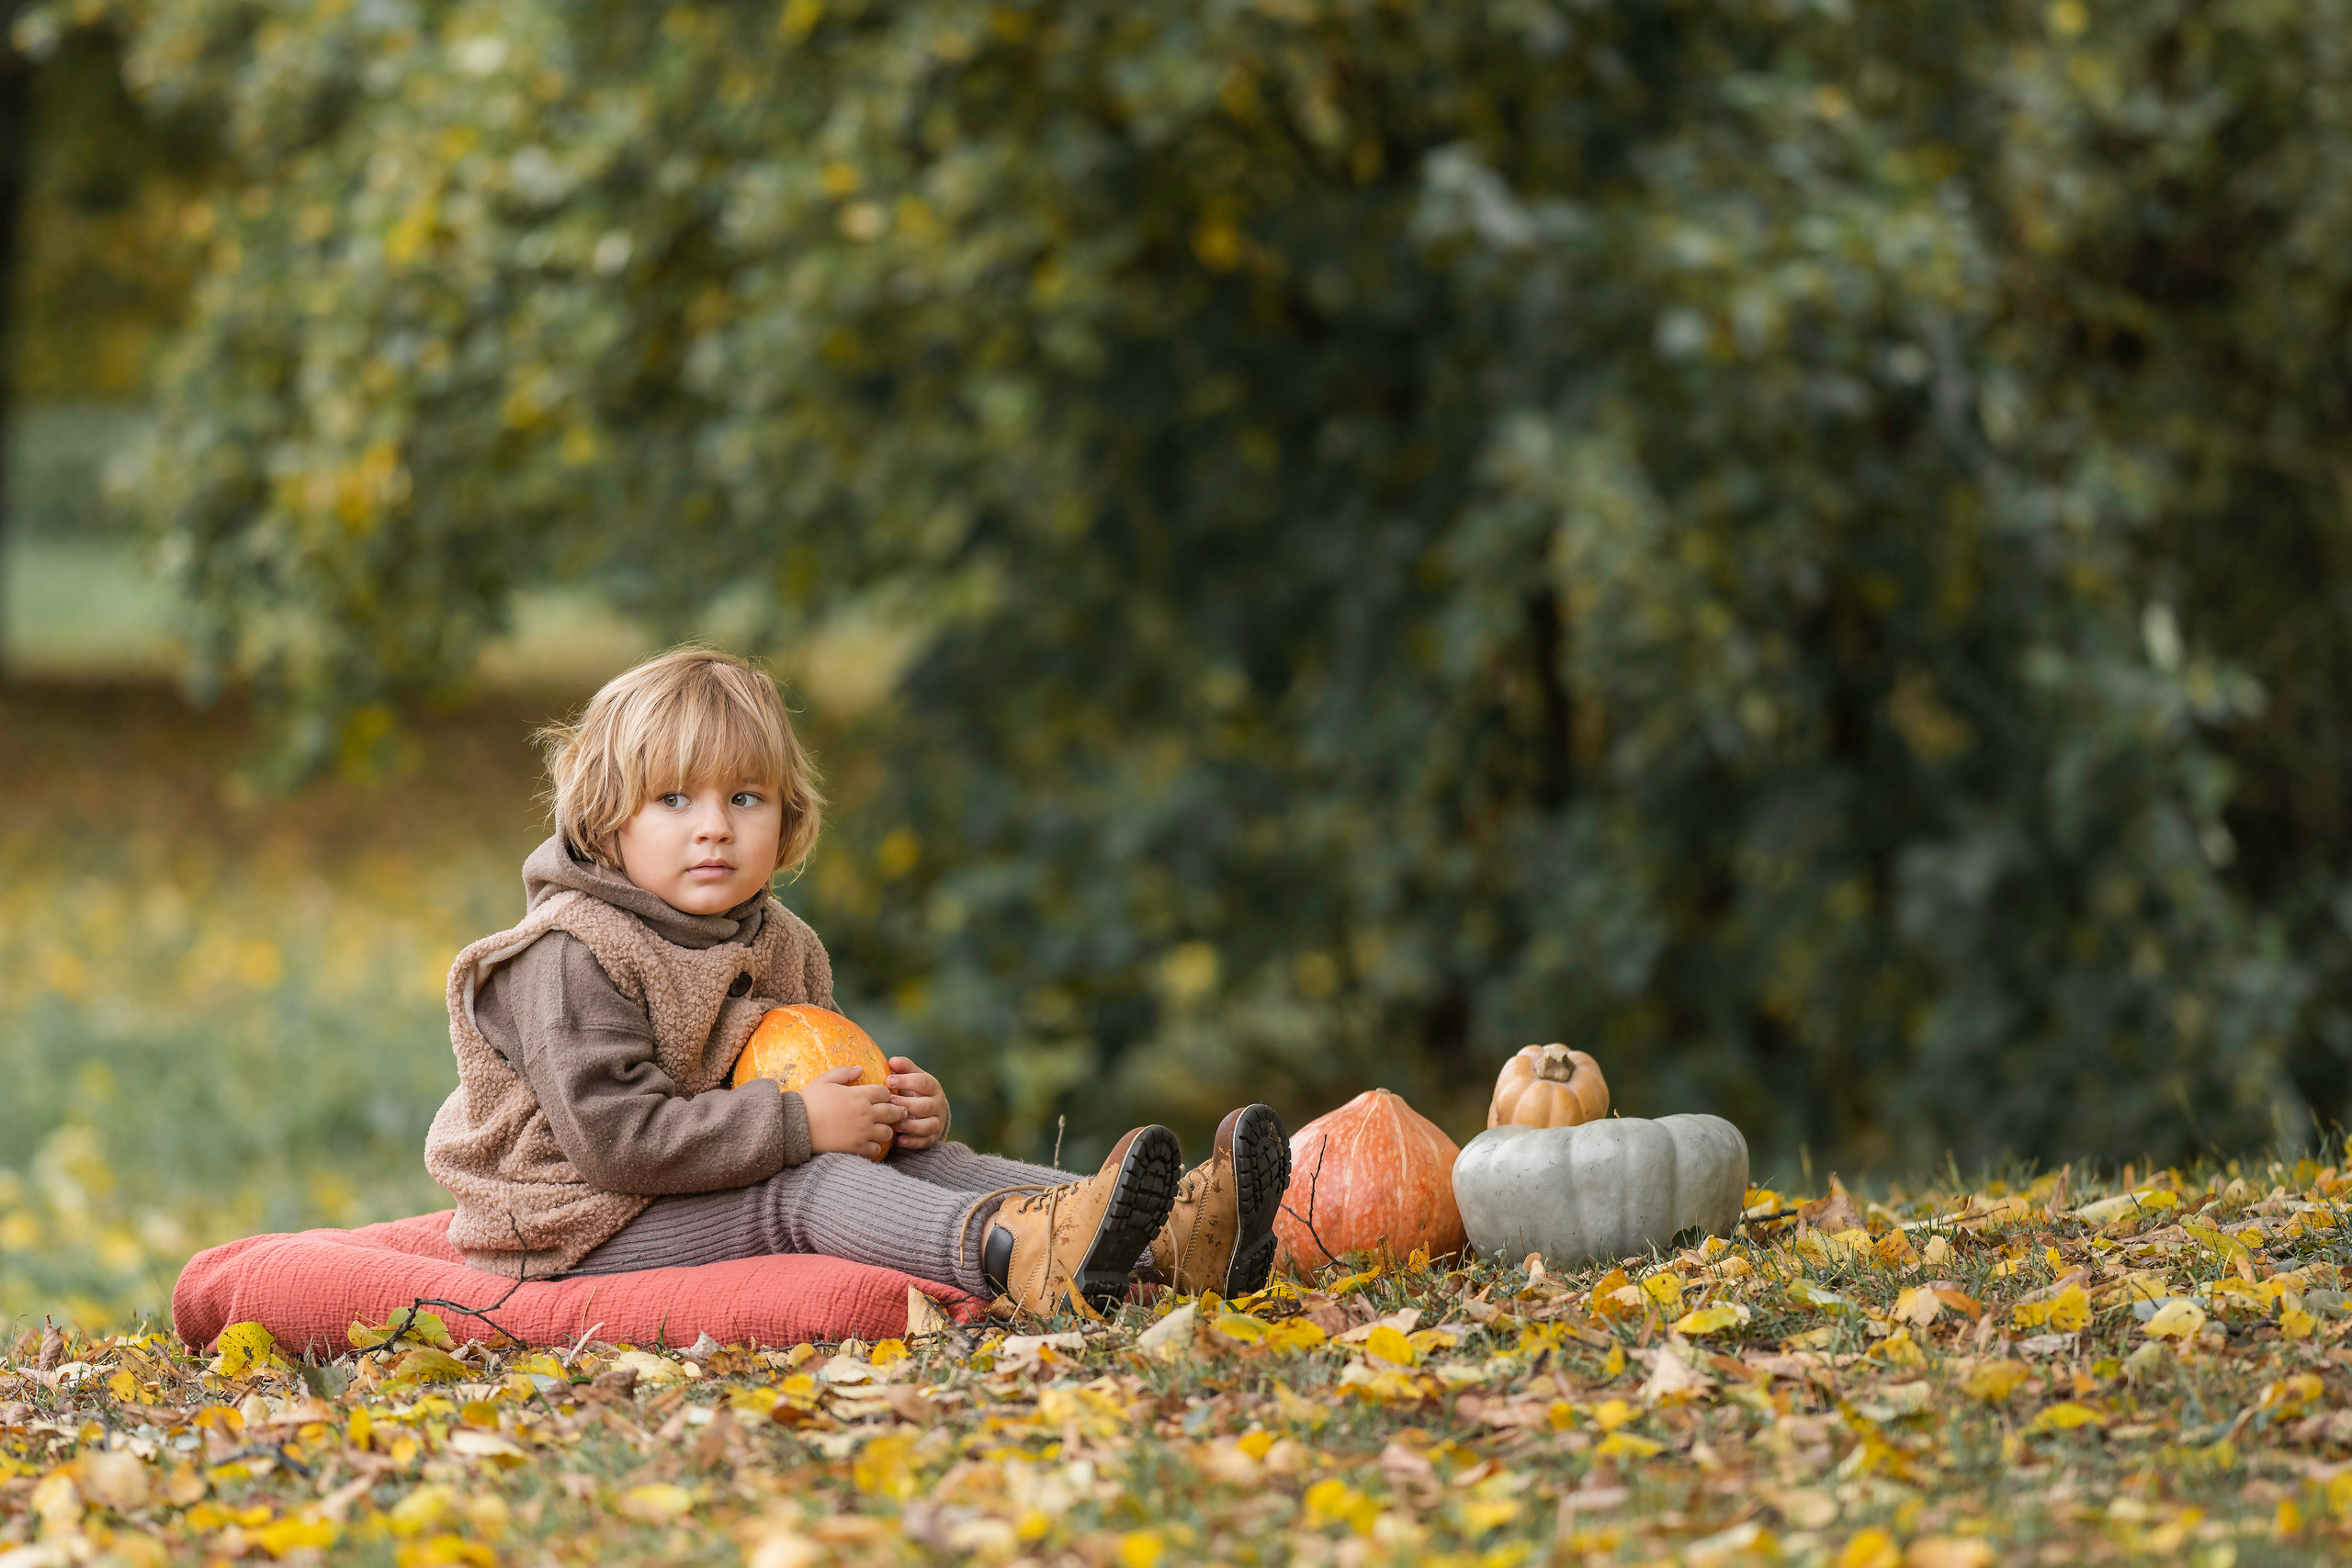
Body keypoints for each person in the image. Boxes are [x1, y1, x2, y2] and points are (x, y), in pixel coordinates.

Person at [424, 646, 1289, 1312]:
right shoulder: (568, 954)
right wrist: (803, 1125)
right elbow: (618, 1141)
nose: (715, 829)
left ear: (788, 817)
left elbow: (810, 1082)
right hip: (574, 1220)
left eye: (746, 799)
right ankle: (1011, 1252)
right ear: (607, 820)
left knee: (928, 1160)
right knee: (810, 1188)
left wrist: (889, 1115)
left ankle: (1172, 1230)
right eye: (675, 800)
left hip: (702, 1176)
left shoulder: (782, 941)